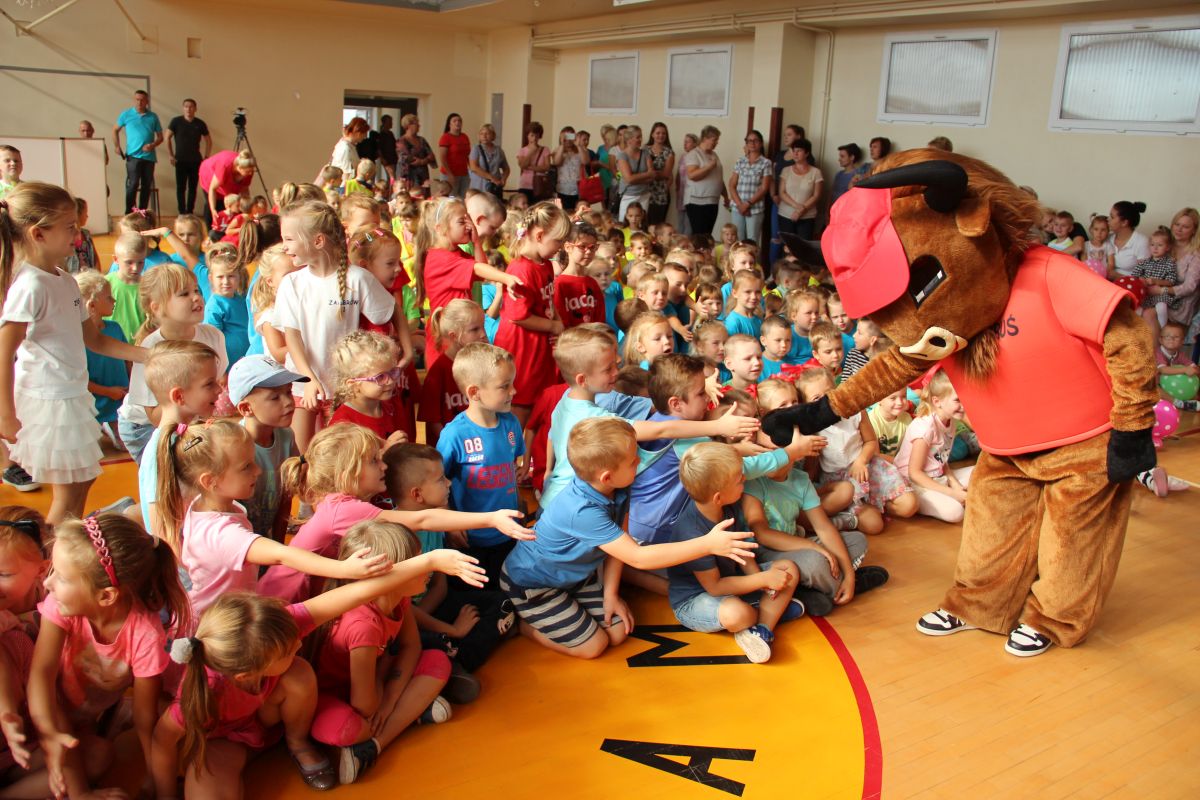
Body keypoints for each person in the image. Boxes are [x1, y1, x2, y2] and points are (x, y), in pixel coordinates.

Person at [151, 553, 483, 797]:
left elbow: (359, 592)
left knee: (298, 672)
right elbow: (162, 742)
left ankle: (297, 743)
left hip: (271, 720)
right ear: (245, 674)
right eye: (287, 650)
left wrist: (429, 561)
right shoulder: (205, 690)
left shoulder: (276, 628)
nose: (298, 643)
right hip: (227, 742)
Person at [501, 416, 757, 659]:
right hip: (534, 584)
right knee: (594, 646)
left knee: (617, 633)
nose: (640, 460)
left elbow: (622, 538)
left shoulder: (619, 485)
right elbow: (638, 557)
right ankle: (523, 627)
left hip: (576, 576)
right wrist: (707, 544)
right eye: (634, 460)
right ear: (607, 476)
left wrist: (611, 595)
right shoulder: (582, 511)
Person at [256, 422, 530, 604]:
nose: (384, 466)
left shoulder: (341, 502)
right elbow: (422, 519)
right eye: (374, 461)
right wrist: (490, 518)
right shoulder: (344, 509)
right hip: (286, 598)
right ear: (348, 474)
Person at [0, 183, 147, 523]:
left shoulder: (65, 280)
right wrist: (6, 413)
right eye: (69, 227)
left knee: (82, 480)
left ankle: (66, 542)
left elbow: (94, 339)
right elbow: (5, 353)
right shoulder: (30, 286)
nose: (78, 235)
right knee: (68, 493)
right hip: (50, 400)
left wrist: (147, 355)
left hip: (71, 394)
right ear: (38, 234)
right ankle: (55, 551)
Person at [28, 513, 188, 800]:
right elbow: (41, 673)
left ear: (106, 596)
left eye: (61, 577)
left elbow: (145, 716)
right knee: (66, 726)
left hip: (89, 715)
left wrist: (155, 780)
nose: (47, 583)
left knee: (103, 754)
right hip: (44, 706)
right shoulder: (60, 606)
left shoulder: (146, 634)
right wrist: (49, 731)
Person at [310, 520, 461, 784]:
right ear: (387, 576)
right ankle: (411, 711)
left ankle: (375, 745)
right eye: (415, 563)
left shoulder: (398, 598)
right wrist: (384, 670)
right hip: (336, 697)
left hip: (373, 688)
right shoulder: (363, 625)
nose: (425, 567)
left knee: (438, 660)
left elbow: (412, 646)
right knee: (346, 729)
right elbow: (363, 704)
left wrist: (389, 699)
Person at [275, 201, 395, 452]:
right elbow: (292, 339)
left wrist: (403, 347)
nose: (284, 246)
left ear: (318, 241)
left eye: (289, 239)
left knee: (340, 453)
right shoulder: (291, 284)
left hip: (345, 389)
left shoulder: (357, 278)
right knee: (301, 453)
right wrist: (309, 379)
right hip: (303, 385)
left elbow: (390, 311)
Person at [666, 442, 801, 662]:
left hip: (732, 582)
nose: (744, 480)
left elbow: (743, 552)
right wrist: (762, 580)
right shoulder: (691, 531)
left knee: (788, 569)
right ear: (718, 497)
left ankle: (762, 629)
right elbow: (715, 587)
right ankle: (766, 613)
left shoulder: (727, 507)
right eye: (739, 480)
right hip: (696, 598)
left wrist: (762, 581)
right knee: (738, 615)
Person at [117, 263, 226, 465]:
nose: (196, 297)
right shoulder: (151, 347)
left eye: (196, 290)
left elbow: (211, 388)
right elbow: (154, 416)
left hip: (187, 416)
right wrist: (193, 406)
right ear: (157, 307)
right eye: (184, 294)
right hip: (144, 426)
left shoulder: (213, 336)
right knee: (167, 474)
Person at [796, 367, 917, 534]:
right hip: (841, 480)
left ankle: (876, 502)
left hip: (868, 467)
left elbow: (870, 441)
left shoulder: (855, 411)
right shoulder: (813, 428)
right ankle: (851, 513)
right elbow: (812, 465)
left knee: (909, 506)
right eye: (816, 398)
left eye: (829, 393)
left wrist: (861, 461)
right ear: (806, 404)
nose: (825, 401)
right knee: (874, 526)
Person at [494, 203, 572, 424]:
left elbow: (548, 300)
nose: (561, 246)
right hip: (522, 348)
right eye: (558, 240)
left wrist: (557, 322)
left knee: (539, 403)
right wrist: (553, 326)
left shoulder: (545, 264)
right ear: (539, 236)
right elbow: (518, 316)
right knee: (521, 404)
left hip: (538, 345)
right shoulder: (522, 269)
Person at [892, 370, 974, 524]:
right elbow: (914, 474)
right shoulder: (925, 428)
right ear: (937, 402)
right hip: (914, 483)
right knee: (956, 512)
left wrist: (954, 483)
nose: (963, 405)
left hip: (937, 476)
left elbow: (941, 459)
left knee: (980, 472)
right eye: (957, 400)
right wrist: (953, 493)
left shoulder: (951, 420)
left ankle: (948, 495)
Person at [419, 299, 488, 447]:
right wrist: (454, 446)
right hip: (449, 451)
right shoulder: (438, 372)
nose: (483, 334)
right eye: (474, 329)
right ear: (454, 336)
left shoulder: (481, 364)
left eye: (483, 326)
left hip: (477, 448)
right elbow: (433, 421)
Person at [76, 272, 129, 451]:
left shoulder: (114, 328)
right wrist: (107, 391)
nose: (114, 301)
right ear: (92, 305)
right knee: (89, 449)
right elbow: (79, 380)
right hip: (94, 401)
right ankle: (102, 426)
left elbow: (127, 359)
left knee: (125, 446)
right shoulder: (77, 337)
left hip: (120, 397)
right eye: (108, 297)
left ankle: (112, 426)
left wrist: (131, 384)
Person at [328, 330, 405, 443]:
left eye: (392, 372)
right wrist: (386, 448)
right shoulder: (343, 423)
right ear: (353, 385)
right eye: (380, 377)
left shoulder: (391, 405)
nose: (390, 381)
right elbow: (347, 456)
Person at [112, 89, 163, 213]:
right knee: (133, 184)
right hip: (133, 156)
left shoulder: (153, 116)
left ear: (147, 101)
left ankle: (142, 213)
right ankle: (130, 213)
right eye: (137, 100)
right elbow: (115, 130)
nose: (139, 102)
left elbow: (160, 137)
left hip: (149, 157)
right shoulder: (126, 114)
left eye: (142, 100)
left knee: (146, 186)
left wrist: (153, 145)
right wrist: (117, 146)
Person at [166, 98, 212, 215]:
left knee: (193, 188)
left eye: (191, 107)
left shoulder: (200, 123)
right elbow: (167, 138)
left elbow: (208, 141)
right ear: (183, 108)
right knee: (181, 188)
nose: (188, 109)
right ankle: (182, 212)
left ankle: (190, 211)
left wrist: (206, 157)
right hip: (180, 160)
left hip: (195, 161)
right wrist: (171, 155)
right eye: (186, 106)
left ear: (195, 109)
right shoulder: (176, 121)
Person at [727, 130, 772, 243]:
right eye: (749, 141)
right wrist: (740, 205)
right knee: (737, 239)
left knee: (752, 240)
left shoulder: (766, 163)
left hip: (755, 208)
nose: (752, 143)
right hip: (737, 207)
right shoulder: (740, 161)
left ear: (761, 143)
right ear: (746, 143)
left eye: (755, 140)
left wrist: (747, 204)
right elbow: (732, 185)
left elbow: (764, 188)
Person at [682, 126, 726, 237]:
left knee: (708, 235)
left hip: (713, 201)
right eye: (714, 139)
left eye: (717, 140)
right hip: (697, 202)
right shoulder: (693, 154)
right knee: (700, 236)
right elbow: (692, 175)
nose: (717, 142)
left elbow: (718, 178)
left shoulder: (714, 154)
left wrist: (726, 196)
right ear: (705, 138)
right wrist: (709, 167)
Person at [776, 137, 823, 241]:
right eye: (794, 151)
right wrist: (797, 207)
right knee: (787, 246)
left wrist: (802, 210)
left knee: (803, 246)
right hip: (785, 214)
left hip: (807, 216)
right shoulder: (786, 170)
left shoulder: (816, 172)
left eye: (799, 151)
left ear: (807, 153)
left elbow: (816, 195)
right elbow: (782, 192)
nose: (795, 153)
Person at [1132, 226, 1180, 329]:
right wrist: (1141, 280)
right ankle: (1138, 330)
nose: (1155, 248)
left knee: (1161, 307)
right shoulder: (1145, 262)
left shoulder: (1169, 263)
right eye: (1152, 245)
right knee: (1136, 309)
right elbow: (1134, 276)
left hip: (1160, 294)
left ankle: (1163, 329)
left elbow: (1171, 281)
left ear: (1167, 247)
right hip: (1146, 294)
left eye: (1160, 245)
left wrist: (1156, 281)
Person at [198, 149, 256, 229]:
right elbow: (212, 188)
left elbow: (244, 189)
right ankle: (210, 230)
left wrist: (247, 208)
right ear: (239, 168)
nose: (250, 173)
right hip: (209, 177)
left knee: (232, 204)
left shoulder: (248, 171)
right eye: (248, 171)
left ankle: (226, 229)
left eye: (251, 171)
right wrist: (213, 209)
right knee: (217, 205)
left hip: (228, 181)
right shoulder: (225, 166)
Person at [616, 125, 655, 222]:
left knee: (641, 223)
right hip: (629, 195)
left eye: (640, 136)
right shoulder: (622, 156)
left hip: (644, 194)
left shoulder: (645, 153)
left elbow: (653, 175)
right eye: (638, 137)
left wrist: (635, 178)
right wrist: (646, 175)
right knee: (625, 223)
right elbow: (629, 179)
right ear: (629, 140)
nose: (640, 139)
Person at [1107, 201, 1150, 278]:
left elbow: (1144, 276)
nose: (1108, 219)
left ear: (1124, 222)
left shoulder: (1141, 242)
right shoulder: (1108, 238)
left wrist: (1117, 276)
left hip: (1129, 283)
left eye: (1112, 217)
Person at [396, 114, 437, 196]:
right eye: (416, 123)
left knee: (424, 198)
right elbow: (406, 158)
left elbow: (432, 156)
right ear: (408, 125)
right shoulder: (401, 141)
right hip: (408, 176)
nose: (419, 125)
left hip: (423, 175)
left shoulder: (422, 140)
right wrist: (424, 159)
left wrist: (422, 161)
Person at [645, 122, 675, 226]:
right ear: (652, 134)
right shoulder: (644, 150)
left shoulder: (669, 152)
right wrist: (652, 173)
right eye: (658, 133)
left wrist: (648, 173)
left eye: (663, 133)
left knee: (657, 226)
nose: (661, 135)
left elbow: (666, 174)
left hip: (660, 194)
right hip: (644, 192)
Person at [468, 123, 509, 198]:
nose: (484, 136)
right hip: (480, 185)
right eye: (481, 134)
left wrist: (503, 179)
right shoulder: (476, 149)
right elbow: (474, 167)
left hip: (494, 187)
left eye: (487, 133)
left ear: (493, 135)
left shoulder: (498, 150)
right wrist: (492, 178)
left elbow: (506, 168)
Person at [551, 126, 584, 212]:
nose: (568, 139)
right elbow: (556, 162)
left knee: (578, 214)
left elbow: (586, 161)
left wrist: (578, 145)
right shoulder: (557, 150)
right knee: (563, 214)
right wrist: (562, 144)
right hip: (562, 189)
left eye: (571, 136)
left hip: (578, 189)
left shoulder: (580, 150)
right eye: (566, 136)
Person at [516, 122, 551, 205]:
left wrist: (529, 167)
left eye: (537, 136)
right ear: (527, 136)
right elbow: (522, 165)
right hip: (525, 184)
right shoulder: (522, 150)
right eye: (532, 135)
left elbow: (546, 167)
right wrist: (531, 151)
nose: (534, 138)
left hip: (539, 184)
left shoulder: (545, 149)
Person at [438, 113, 472, 198]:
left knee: (463, 198)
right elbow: (442, 157)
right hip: (449, 174)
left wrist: (471, 171)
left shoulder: (465, 136)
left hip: (464, 174)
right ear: (449, 124)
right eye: (454, 121)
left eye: (459, 121)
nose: (458, 122)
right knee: (451, 198)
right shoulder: (445, 137)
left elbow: (467, 155)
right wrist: (449, 174)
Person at [724, 270, 764, 338]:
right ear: (735, 293)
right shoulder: (733, 322)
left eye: (757, 292)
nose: (753, 297)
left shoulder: (758, 319)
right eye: (748, 292)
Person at [377, 114, 398, 182]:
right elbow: (379, 148)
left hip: (393, 158)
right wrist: (382, 158)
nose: (391, 123)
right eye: (389, 122)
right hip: (387, 159)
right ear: (385, 123)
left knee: (393, 176)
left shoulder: (390, 133)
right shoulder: (381, 135)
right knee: (391, 176)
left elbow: (394, 145)